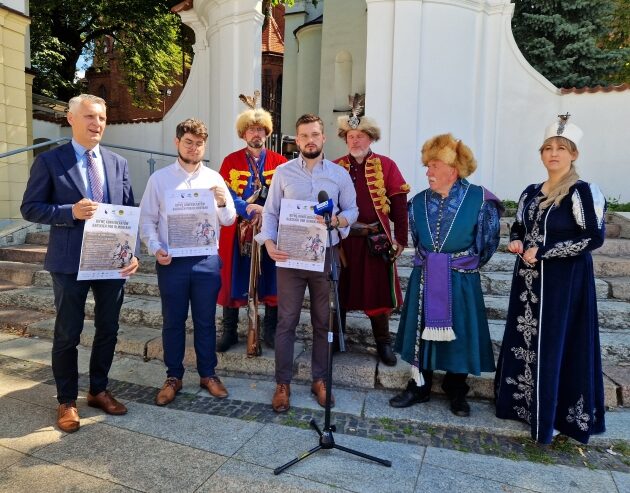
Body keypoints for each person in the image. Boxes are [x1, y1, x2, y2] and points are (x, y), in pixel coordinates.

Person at [21, 94, 139, 433]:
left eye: (101, 117)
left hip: (110, 263)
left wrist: (131, 254)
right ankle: (67, 400)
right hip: (69, 262)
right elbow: (30, 208)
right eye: (89, 116)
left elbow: (127, 213)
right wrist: (68, 212)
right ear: (71, 119)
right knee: (68, 332)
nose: (96, 123)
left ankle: (99, 390)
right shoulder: (51, 161)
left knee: (109, 329)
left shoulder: (118, 163)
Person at [494, 114, 606, 444]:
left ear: (573, 154)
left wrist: (544, 251)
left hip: (565, 283)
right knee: (526, 340)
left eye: (561, 148)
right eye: (547, 148)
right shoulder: (531, 191)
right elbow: (518, 227)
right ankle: (523, 407)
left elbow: (592, 238)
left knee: (558, 342)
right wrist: (516, 241)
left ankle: (555, 415)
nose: (553, 153)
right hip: (528, 282)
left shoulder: (582, 192)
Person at [390, 134, 502, 417]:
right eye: (427, 165)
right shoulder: (416, 202)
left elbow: (487, 243)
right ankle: (420, 386)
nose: (427, 171)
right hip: (426, 276)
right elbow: (417, 237)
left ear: (453, 169)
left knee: (461, 333)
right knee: (422, 328)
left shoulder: (480, 200)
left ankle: (456, 389)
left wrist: (459, 264)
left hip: (461, 278)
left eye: (434, 165)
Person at [255, 113, 358, 412]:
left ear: (323, 138)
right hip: (289, 256)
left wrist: (339, 220)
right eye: (304, 136)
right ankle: (282, 384)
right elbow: (271, 212)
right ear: (296, 140)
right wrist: (269, 242)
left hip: (325, 256)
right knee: (286, 322)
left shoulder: (338, 175)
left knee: (322, 321)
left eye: (315, 134)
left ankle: (320, 380)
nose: (310, 140)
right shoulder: (284, 173)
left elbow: (352, 209)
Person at [139, 118, 236, 406]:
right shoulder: (160, 179)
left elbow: (229, 219)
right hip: (173, 262)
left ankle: (208, 373)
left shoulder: (215, 178)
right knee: (173, 321)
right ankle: (173, 376)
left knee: (206, 321)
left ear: (205, 146)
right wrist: (155, 247)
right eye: (188, 142)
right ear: (177, 143)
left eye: (199, 143)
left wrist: (221, 201)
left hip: (206, 260)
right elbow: (147, 219)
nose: (194, 148)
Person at [334, 100, 409, 366]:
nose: (355, 141)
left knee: (378, 294)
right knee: (338, 290)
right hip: (342, 242)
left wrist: (401, 238)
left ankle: (383, 344)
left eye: (360, 136)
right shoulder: (334, 166)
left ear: (370, 138)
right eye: (351, 136)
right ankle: (336, 340)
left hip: (374, 241)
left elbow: (399, 204)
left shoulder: (386, 165)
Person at [216, 94, 286, 351]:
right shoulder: (230, 161)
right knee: (233, 276)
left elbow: (285, 193)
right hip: (237, 230)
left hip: (270, 230)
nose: (255, 134)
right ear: (243, 134)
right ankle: (230, 330)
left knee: (271, 277)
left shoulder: (280, 162)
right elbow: (224, 192)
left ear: (266, 133)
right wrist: (247, 209)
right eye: (250, 130)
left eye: (260, 129)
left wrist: (264, 211)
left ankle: (271, 331)